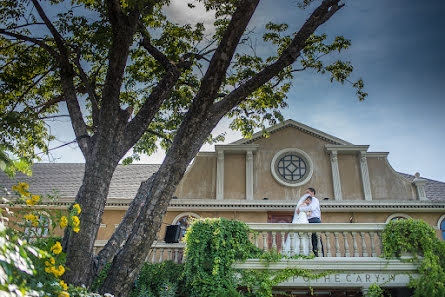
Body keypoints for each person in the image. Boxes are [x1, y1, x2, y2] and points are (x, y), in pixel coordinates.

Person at [297, 187, 323, 256]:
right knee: (311, 239)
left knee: (316, 238)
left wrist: (301, 209)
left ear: (312, 193)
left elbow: (312, 208)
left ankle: (320, 255)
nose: (306, 194)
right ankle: (314, 254)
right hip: (309, 220)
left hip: (314, 220)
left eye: (307, 192)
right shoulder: (308, 201)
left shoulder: (314, 200)